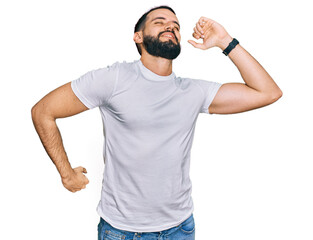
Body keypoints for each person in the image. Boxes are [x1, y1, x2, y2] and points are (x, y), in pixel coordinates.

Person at [31, 5, 282, 240]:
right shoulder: (113, 79)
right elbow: (43, 111)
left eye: (175, 25)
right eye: (159, 22)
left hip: (180, 228)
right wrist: (66, 174)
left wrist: (225, 41)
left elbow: (267, 92)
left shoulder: (192, 92)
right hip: (122, 230)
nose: (170, 27)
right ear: (138, 37)